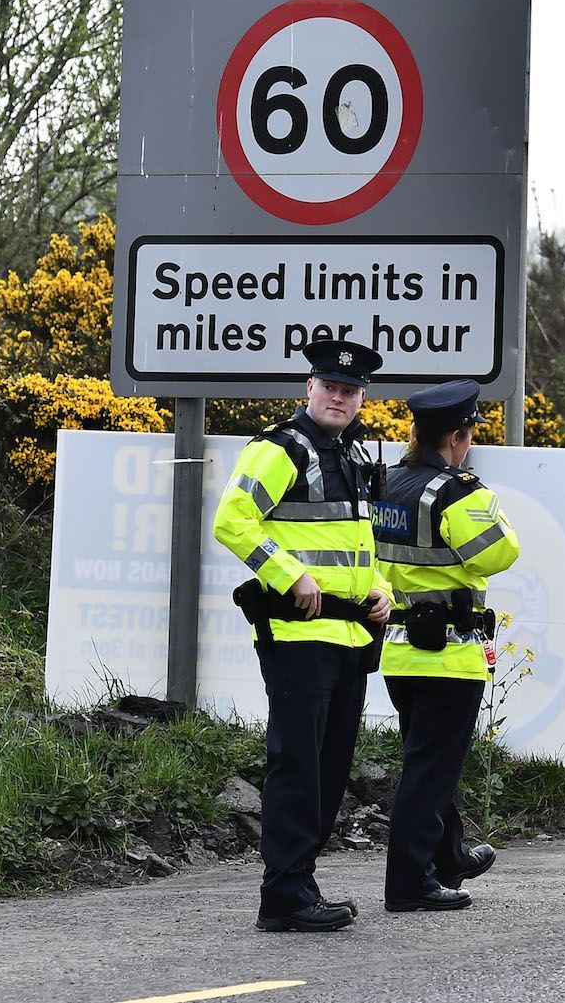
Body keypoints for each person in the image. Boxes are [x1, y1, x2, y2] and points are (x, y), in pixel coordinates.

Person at [212, 337, 393, 933]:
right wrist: (288, 573)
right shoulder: (280, 449)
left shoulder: (352, 454)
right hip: (299, 634)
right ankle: (284, 895)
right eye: (330, 387)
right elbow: (231, 521)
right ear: (308, 389)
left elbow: (358, 542)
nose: (339, 397)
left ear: (361, 399)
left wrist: (383, 587)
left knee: (330, 766)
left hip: (347, 635)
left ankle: (300, 883)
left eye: (350, 391)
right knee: (298, 765)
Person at [373, 378, 520, 912]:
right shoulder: (457, 491)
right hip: (450, 654)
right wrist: (486, 499)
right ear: (460, 436)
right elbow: (501, 552)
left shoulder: (387, 484)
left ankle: (450, 853)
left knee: (429, 759)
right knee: (430, 768)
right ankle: (410, 882)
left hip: (399, 651)